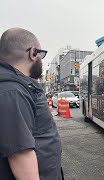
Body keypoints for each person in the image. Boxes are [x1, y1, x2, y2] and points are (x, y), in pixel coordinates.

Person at [0, 28, 63, 179]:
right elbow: (20, 153)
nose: (42, 59)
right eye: (42, 54)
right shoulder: (12, 91)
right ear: (33, 53)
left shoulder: (16, 86)